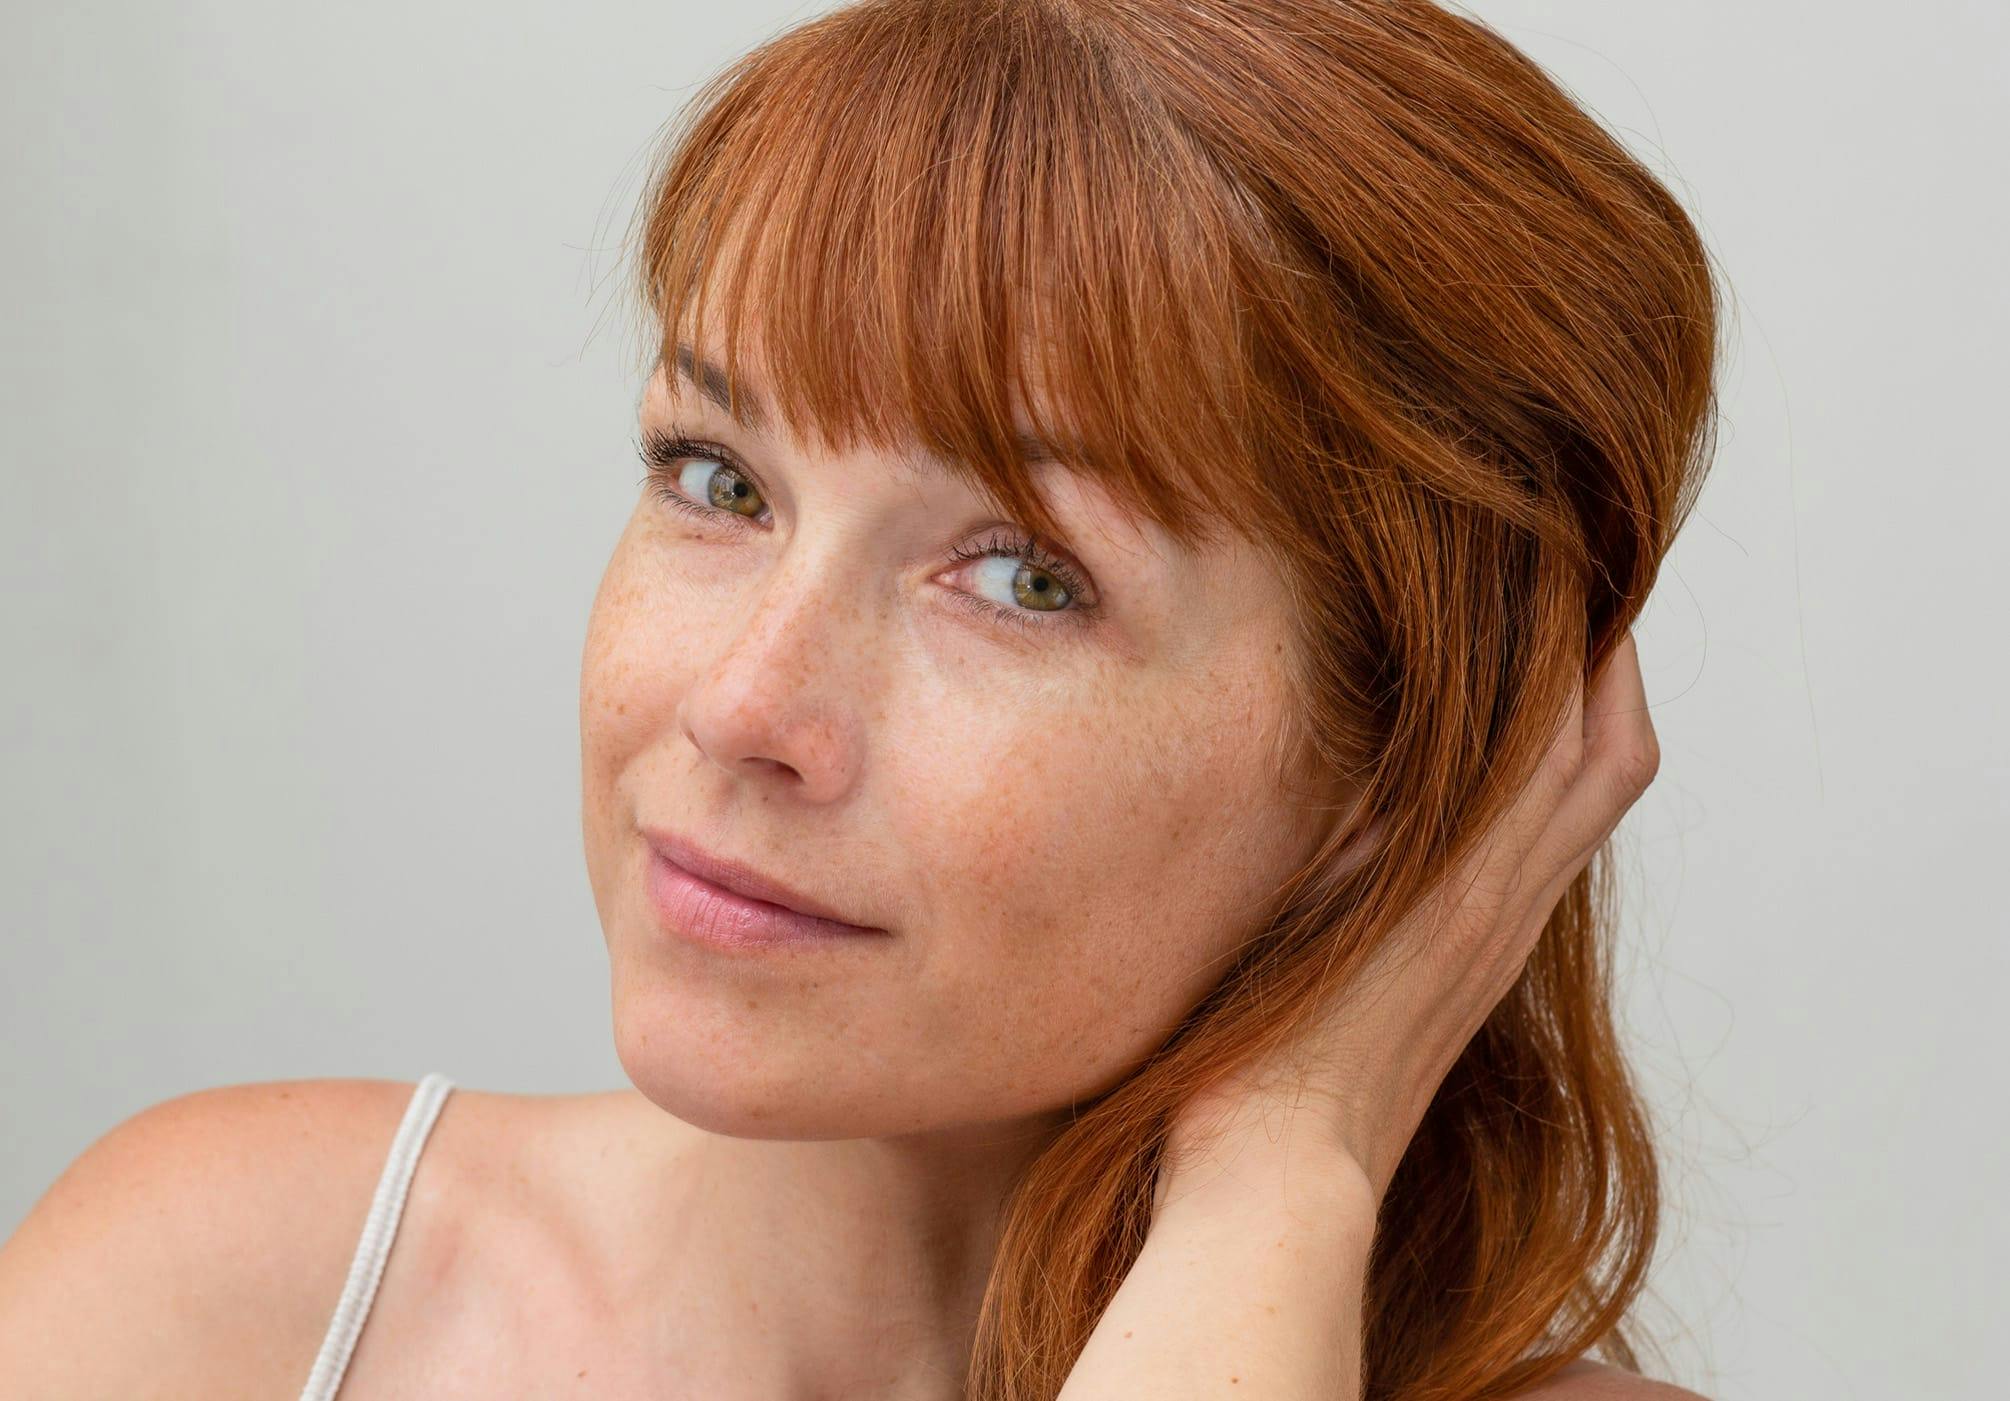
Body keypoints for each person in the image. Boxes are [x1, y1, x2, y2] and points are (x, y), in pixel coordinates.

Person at [0, 1, 1721, 1396]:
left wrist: (1287, 1167)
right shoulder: (225, 1301)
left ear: (1401, 774)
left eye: (1024, 577)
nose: (742, 703)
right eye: (717, 480)